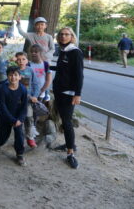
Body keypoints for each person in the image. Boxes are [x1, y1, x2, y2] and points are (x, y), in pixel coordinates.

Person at [50, 27, 84, 169]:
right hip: (59, 91)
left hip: (68, 94)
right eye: (61, 34)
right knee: (64, 121)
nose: (63, 36)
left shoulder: (75, 52)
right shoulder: (63, 50)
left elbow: (79, 75)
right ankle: (69, 144)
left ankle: (71, 153)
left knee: (67, 122)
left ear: (72, 37)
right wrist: (45, 66)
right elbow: (62, 69)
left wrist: (77, 94)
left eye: (66, 34)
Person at [0, 66, 28, 167]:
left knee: (19, 135)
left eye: (16, 75)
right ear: (7, 76)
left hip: (17, 117)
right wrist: (12, 120)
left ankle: (20, 154)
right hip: (5, 116)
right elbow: (2, 107)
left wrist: (20, 119)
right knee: (3, 136)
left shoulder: (23, 90)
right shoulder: (2, 89)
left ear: (20, 77)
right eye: (11, 75)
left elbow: (24, 107)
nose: (13, 77)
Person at [15, 52, 40, 148]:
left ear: (27, 60)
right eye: (18, 59)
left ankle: (30, 138)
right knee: (18, 121)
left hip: (28, 101)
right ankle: (19, 138)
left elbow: (36, 84)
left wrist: (35, 96)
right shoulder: (13, 71)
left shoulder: (30, 70)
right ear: (15, 60)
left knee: (29, 118)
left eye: (23, 59)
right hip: (16, 101)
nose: (21, 61)